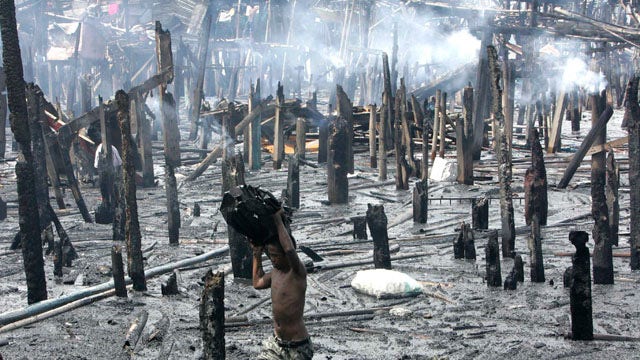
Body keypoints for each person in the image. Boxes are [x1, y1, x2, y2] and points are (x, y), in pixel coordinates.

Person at [251, 209, 313, 360]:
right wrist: (256, 255)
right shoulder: (274, 273)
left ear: (286, 256)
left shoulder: (297, 272)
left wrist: (278, 219)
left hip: (298, 346)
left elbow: (289, 249)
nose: (273, 260)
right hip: (277, 343)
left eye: (276, 256)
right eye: (271, 256)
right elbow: (257, 283)